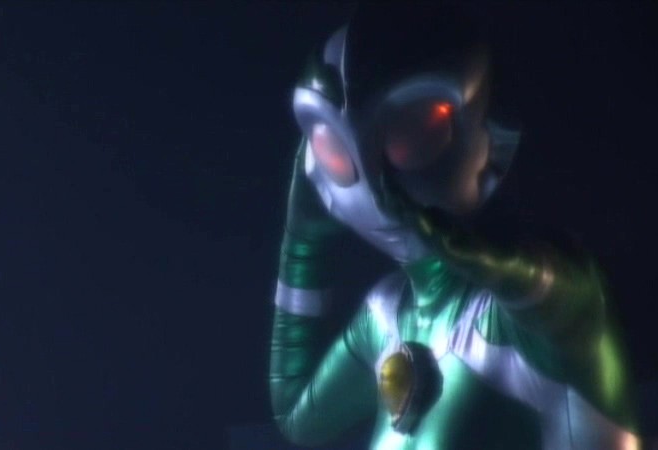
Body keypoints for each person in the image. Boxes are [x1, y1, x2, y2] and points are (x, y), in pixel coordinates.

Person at [269, 4, 639, 449]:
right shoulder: (385, 316)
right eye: (333, 144)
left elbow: (568, 308)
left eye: (414, 130)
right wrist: (302, 245)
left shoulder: (510, 319)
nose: (375, 181)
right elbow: (296, 417)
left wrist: (509, 270)